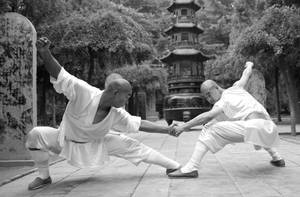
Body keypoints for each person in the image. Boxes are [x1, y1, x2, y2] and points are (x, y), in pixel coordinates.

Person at [25, 37, 180, 190]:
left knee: (132, 146)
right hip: (64, 141)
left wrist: (167, 130)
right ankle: (44, 176)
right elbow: (60, 74)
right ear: (116, 92)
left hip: (97, 144)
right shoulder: (83, 91)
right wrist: (45, 52)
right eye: (127, 95)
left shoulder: (117, 113)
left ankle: (173, 166)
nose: (128, 99)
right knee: (36, 134)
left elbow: (139, 124)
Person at [168, 61, 285, 178]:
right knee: (249, 128)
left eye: (209, 94)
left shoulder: (222, 102)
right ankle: (277, 158)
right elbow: (246, 74)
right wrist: (249, 65)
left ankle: (191, 168)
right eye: (206, 97)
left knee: (209, 129)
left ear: (216, 87)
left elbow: (207, 117)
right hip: (269, 129)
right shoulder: (237, 87)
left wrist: (183, 127)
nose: (208, 98)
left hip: (256, 126)